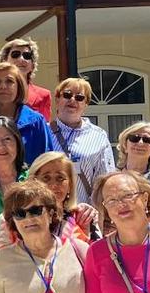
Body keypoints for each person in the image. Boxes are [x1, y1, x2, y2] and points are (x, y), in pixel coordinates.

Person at [0, 63, 55, 164]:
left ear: (19, 87)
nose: (3, 86)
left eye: (9, 81)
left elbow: (47, 162)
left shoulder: (36, 122)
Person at [48, 77, 114, 205]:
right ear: (57, 98)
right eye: (67, 95)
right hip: (48, 211)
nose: (72, 100)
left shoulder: (98, 136)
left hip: (83, 213)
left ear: (86, 104)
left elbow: (105, 179)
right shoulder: (44, 132)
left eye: (79, 98)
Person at [0, 38, 53, 121]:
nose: (21, 59)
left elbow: (44, 126)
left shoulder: (43, 95)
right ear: (4, 61)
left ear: (32, 65)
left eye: (27, 56)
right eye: (15, 54)